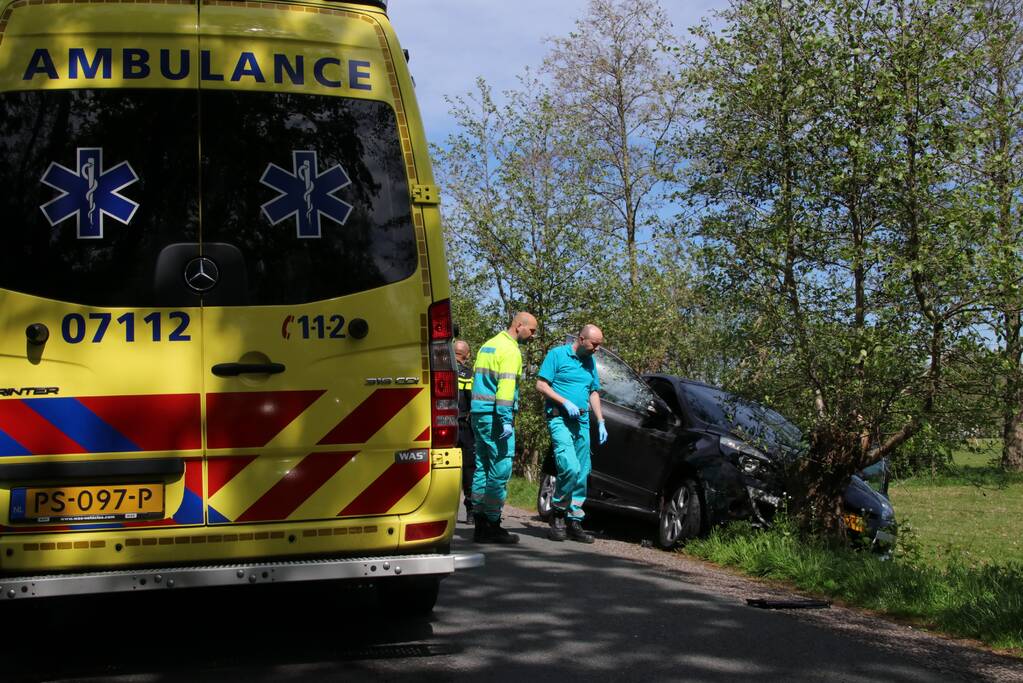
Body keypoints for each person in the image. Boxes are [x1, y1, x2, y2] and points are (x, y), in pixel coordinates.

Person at [469, 311, 538, 543]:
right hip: (496, 418)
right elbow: (506, 391)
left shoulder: (488, 345)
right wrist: (506, 418)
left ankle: (479, 521)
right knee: (500, 468)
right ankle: (491, 524)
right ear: (519, 326)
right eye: (532, 330)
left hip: (479, 413)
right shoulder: (510, 351)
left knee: (482, 467)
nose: (534, 336)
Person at [535, 325, 607, 543]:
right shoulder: (557, 355)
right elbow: (541, 385)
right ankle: (557, 512)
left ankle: (574, 519)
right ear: (581, 338)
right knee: (569, 466)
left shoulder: (589, 361)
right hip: (560, 418)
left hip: (582, 422)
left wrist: (601, 421)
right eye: (594, 344)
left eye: (599, 345)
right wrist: (564, 401)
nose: (597, 349)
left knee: (583, 471)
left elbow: (592, 391)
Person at [454, 339, 476, 522]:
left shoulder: (438, 370)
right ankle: (470, 511)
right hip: (465, 426)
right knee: (469, 469)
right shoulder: (469, 375)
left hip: (442, 426)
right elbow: (473, 400)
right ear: (467, 355)